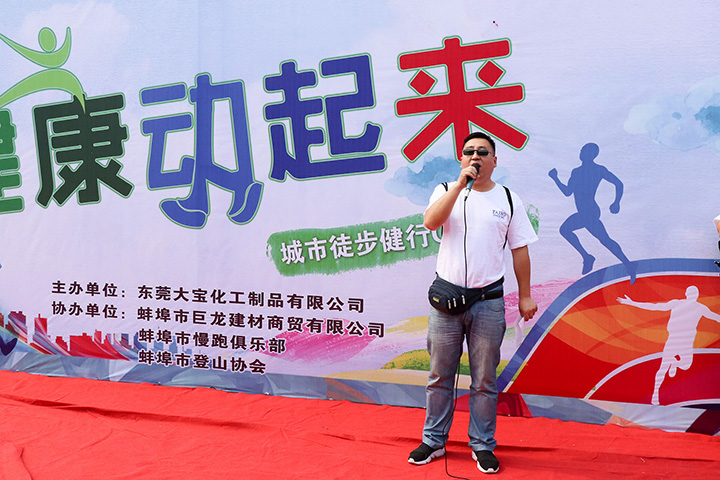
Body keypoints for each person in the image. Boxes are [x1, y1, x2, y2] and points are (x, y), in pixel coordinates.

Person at [408, 132, 538, 474]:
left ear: (495, 160)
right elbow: (431, 222)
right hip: (446, 302)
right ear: (461, 159)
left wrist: (525, 295)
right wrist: (458, 187)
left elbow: (520, 250)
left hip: (488, 303)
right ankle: (433, 440)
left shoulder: (508, 199)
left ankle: (482, 445)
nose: (475, 157)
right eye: (469, 152)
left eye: (483, 152)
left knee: (484, 379)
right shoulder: (446, 190)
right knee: (440, 375)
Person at [548, 143, 636, 283]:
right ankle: (621, 263)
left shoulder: (598, 169)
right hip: (583, 212)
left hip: (590, 212)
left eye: (586, 151)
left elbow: (618, 183)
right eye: (582, 150)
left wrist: (616, 202)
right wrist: (555, 178)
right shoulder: (576, 171)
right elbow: (567, 192)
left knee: (602, 239)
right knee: (602, 239)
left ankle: (621, 263)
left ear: (593, 155)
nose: (582, 153)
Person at [617, 286, 720, 405]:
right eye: (691, 292)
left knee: (686, 365)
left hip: (686, 341)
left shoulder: (700, 308)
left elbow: (716, 317)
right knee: (663, 367)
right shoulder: (677, 303)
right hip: (673, 339)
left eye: (694, 292)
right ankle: (655, 393)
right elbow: (655, 307)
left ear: (696, 295)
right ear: (687, 294)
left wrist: (632, 303)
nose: (692, 294)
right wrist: (632, 303)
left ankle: (674, 363)